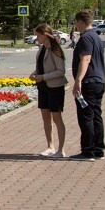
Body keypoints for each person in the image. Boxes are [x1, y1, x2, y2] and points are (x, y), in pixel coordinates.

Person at [71, 9, 105, 161]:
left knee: (86, 116)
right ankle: (99, 149)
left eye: (76, 22)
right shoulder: (97, 37)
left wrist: (78, 80)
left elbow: (85, 59)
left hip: (88, 82)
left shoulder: (85, 38)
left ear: (80, 21)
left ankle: (88, 150)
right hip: (99, 81)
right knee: (96, 115)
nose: (75, 26)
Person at [30, 23, 68, 158]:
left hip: (55, 87)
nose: (36, 37)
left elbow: (61, 71)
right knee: (45, 117)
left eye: (38, 35)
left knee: (57, 118)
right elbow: (41, 67)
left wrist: (43, 77)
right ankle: (50, 146)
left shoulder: (55, 50)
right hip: (43, 87)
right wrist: (34, 74)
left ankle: (61, 149)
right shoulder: (42, 49)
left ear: (45, 35)